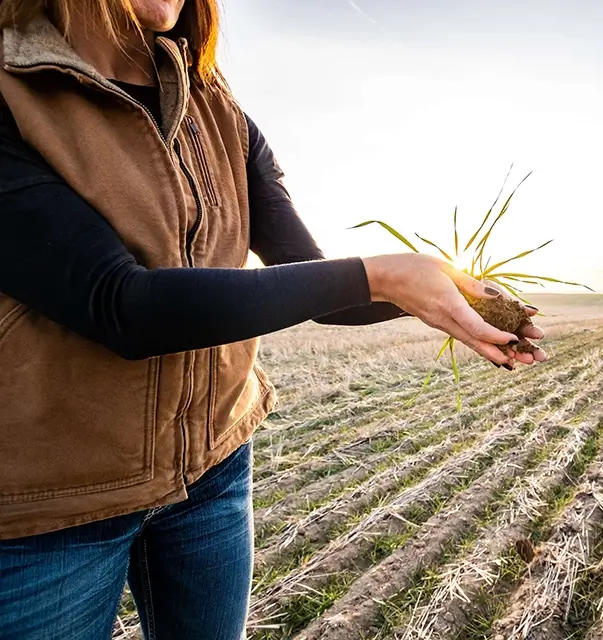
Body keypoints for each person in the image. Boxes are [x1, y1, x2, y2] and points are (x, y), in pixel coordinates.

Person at [0, 0, 546, 637]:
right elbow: (123, 306)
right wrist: (384, 274)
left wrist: (449, 296)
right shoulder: (14, 94)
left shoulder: (217, 109)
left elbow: (310, 275)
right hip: (53, 500)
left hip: (212, 470)